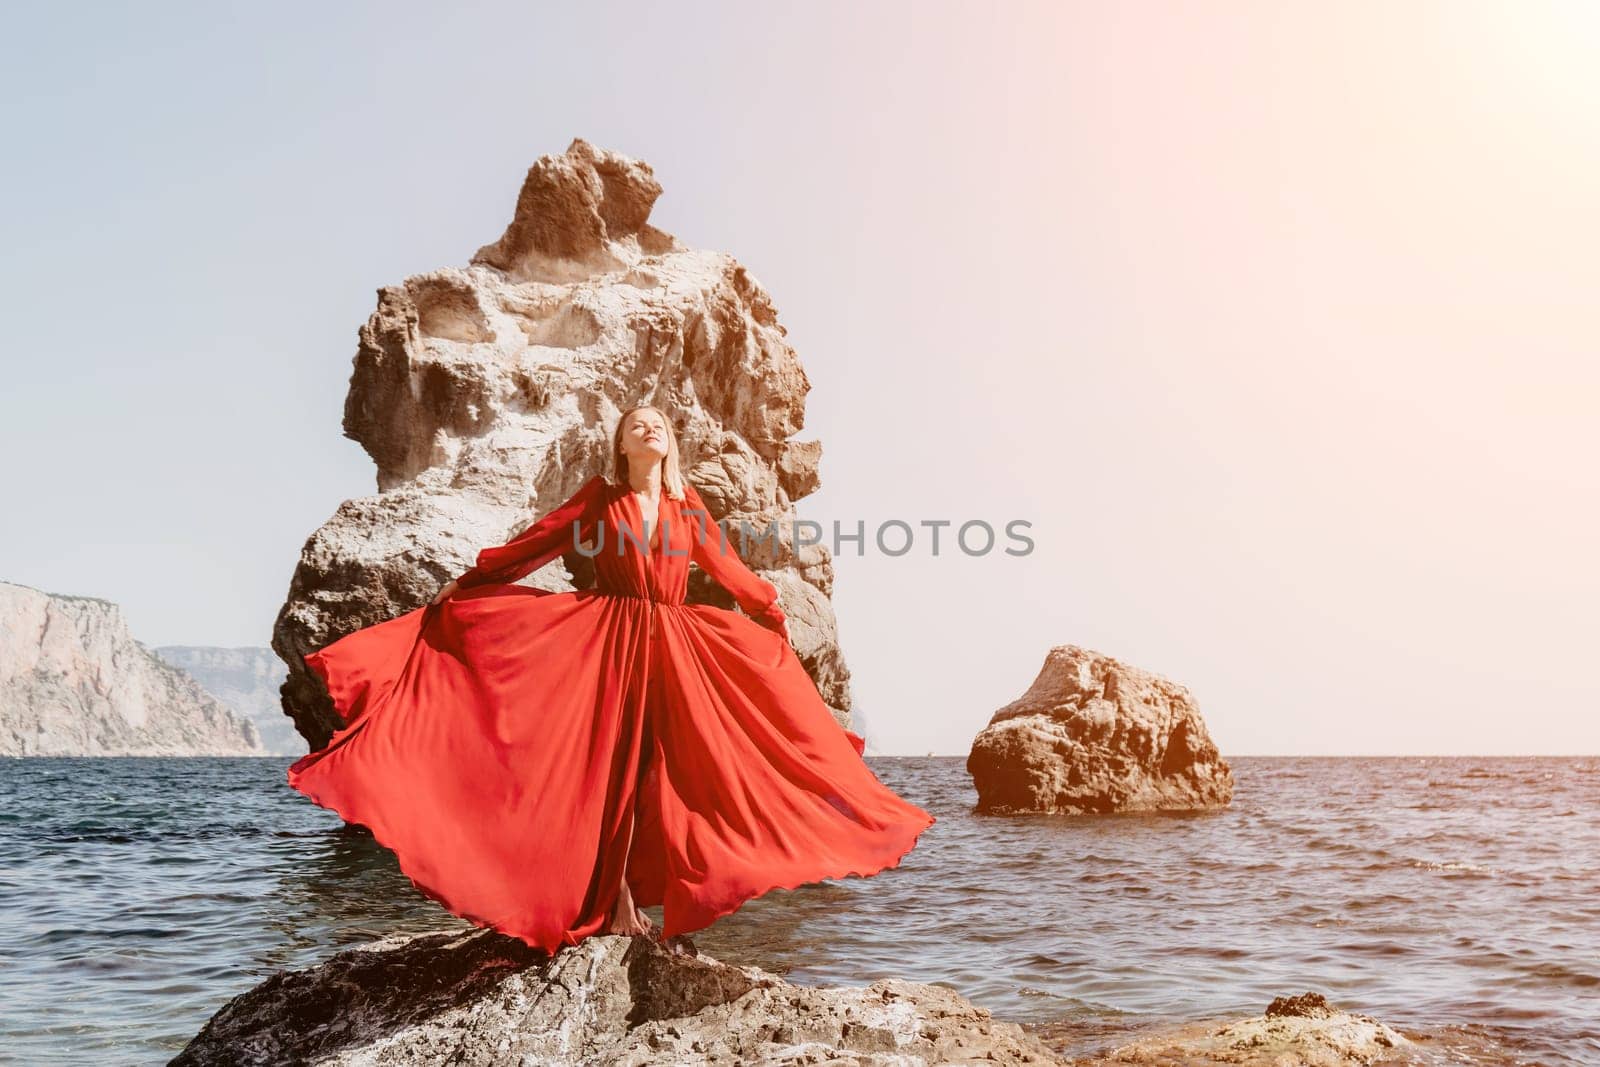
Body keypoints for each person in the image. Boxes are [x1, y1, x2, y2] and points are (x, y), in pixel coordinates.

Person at [286, 404, 936, 954]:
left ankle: (670, 889)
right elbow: (539, 541)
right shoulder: (601, 497)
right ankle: (609, 906)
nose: (649, 428)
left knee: (673, 772)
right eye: (636, 424)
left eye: (658, 423)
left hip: (678, 644)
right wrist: (478, 580)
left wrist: (769, 612)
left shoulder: (688, 509)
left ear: (669, 442)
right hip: (609, 640)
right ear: (621, 443)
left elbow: (731, 570)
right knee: (607, 770)